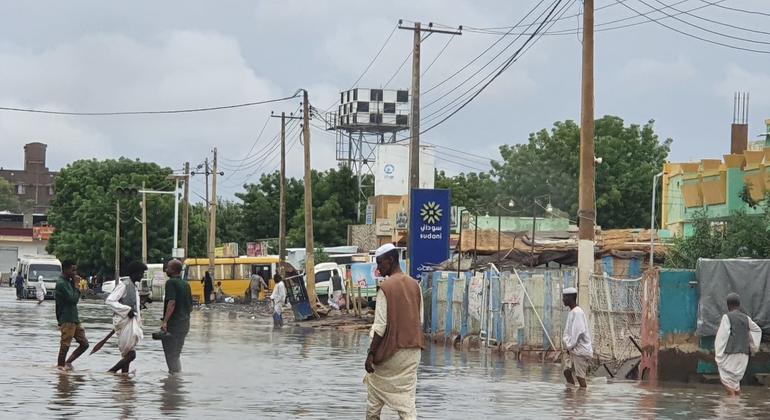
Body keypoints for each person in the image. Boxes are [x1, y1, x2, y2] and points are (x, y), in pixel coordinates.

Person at [364, 243, 424, 420]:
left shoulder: (386, 288)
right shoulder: (415, 285)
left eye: (380, 263)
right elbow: (419, 320)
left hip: (391, 353)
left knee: (374, 399)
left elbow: (380, 327)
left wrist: (370, 354)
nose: (378, 268)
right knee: (407, 402)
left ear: (390, 260)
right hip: (413, 352)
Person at [715, 292, 762, 396]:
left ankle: (732, 406)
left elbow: (722, 337)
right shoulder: (746, 318)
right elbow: (757, 330)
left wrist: (718, 355)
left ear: (728, 305)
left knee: (727, 382)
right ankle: (738, 405)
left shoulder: (727, 317)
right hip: (744, 356)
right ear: (739, 304)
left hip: (730, 354)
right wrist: (753, 347)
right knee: (735, 383)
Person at [105, 261, 146, 374]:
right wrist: (126, 310)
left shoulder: (134, 287)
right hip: (123, 323)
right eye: (141, 273)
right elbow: (109, 301)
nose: (142, 276)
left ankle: (124, 378)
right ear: (135, 273)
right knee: (131, 354)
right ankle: (111, 372)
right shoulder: (123, 285)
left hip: (131, 323)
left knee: (127, 354)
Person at [55, 260, 89, 369]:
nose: (75, 272)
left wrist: (75, 284)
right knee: (65, 345)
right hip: (66, 318)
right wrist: (76, 286)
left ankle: (68, 362)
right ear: (65, 269)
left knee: (84, 344)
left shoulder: (68, 281)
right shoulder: (61, 283)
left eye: (75, 270)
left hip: (74, 318)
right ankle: (60, 368)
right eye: (72, 270)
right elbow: (73, 300)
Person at [161, 259, 193, 374]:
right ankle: (176, 380)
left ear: (173, 270)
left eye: (168, 268)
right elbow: (190, 307)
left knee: (170, 355)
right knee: (176, 354)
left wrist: (165, 322)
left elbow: (172, 303)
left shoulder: (171, 282)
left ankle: (172, 382)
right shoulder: (186, 284)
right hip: (185, 324)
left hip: (174, 325)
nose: (166, 270)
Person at [562, 287, 593, 388]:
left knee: (580, 377)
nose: (563, 299)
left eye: (564, 297)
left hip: (580, 351)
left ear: (570, 297)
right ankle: (570, 394)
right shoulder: (572, 312)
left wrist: (569, 346)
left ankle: (582, 397)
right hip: (573, 350)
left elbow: (578, 333)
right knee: (567, 371)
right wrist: (568, 347)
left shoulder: (577, 312)